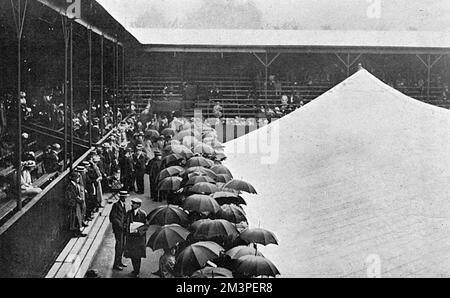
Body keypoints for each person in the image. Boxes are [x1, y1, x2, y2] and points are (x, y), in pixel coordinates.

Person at [124, 198, 147, 278]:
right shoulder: (128, 213)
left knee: (138, 256)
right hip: (131, 238)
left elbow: (146, 226)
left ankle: (137, 271)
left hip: (139, 238)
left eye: (134, 203)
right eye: (132, 203)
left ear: (138, 205)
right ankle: (135, 269)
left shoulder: (143, 214)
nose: (132, 204)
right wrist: (127, 228)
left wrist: (138, 231)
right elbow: (124, 222)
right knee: (132, 255)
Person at [109, 190, 129, 271]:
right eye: (123, 197)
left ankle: (119, 262)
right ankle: (116, 264)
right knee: (119, 247)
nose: (124, 198)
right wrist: (120, 225)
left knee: (122, 246)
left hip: (122, 229)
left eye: (125, 197)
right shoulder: (116, 205)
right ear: (121, 197)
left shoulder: (123, 205)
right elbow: (112, 217)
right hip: (118, 230)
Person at [66, 172, 87, 237]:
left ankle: (78, 232)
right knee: (74, 219)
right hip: (74, 205)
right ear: (73, 178)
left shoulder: (74, 185)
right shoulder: (70, 186)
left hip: (76, 204)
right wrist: (79, 200)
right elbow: (72, 196)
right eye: (77, 178)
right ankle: (75, 233)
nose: (78, 179)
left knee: (77, 218)